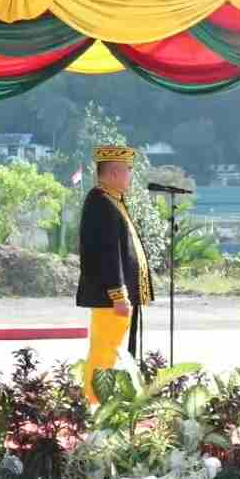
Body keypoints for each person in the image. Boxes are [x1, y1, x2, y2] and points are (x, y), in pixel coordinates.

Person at [77, 146, 153, 404]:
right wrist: (118, 294)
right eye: (128, 171)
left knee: (115, 351)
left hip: (119, 298)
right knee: (104, 351)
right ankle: (95, 404)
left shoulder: (111, 200)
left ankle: (108, 402)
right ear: (114, 172)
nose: (130, 176)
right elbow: (107, 253)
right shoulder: (101, 203)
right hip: (111, 298)